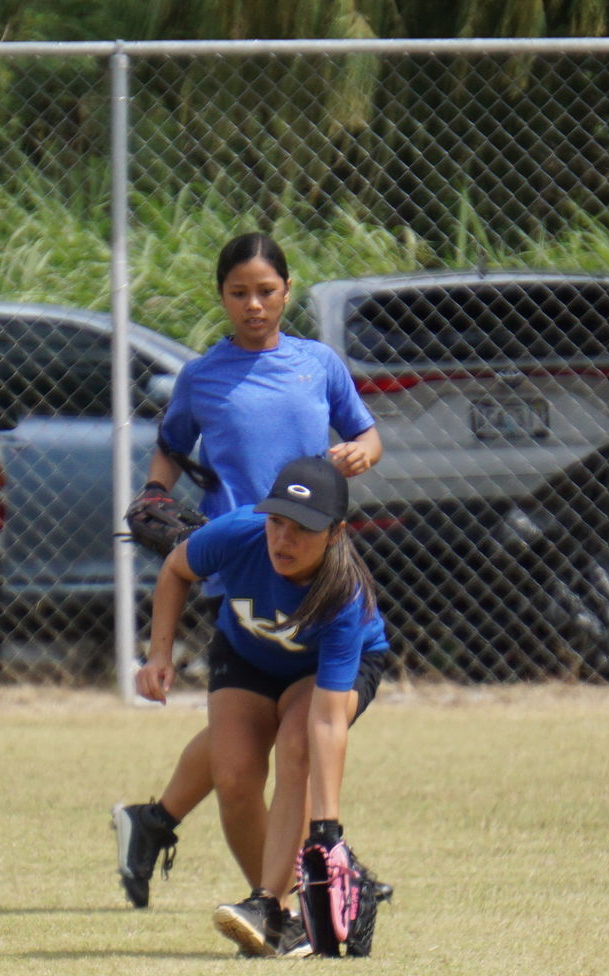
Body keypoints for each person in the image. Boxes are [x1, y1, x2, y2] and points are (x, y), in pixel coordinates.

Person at [112, 233, 384, 908]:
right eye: (239, 293)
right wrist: (152, 495)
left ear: (288, 292)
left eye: (266, 291)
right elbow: (170, 451)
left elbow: (369, 435)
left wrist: (359, 452)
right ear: (222, 298)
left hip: (311, 556)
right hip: (239, 556)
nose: (254, 305)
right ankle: (288, 892)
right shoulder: (204, 375)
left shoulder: (317, 365)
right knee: (244, 749)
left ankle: (163, 826)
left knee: (276, 732)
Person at [136, 456, 390, 957]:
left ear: (336, 533)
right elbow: (175, 569)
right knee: (233, 775)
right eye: (277, 522)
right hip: (248, 653)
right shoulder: (239, 532)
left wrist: (327, 830)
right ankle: (280, 913)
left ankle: (267, 904)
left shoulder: (343, 596)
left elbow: (325, 720)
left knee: (296, 743)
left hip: (322, 671)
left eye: (303, 529)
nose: (283, 540)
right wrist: (160, 653)